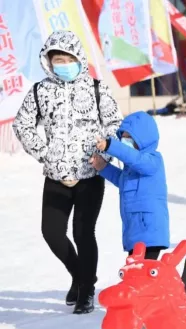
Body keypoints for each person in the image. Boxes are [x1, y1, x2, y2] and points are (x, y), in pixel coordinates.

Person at [12, 30, 122, 314]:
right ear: (48, 62)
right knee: (52, 232)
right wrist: (46, 155)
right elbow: (22, 126)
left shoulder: (97, 88)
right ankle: (80, 275)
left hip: (90, 175)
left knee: (84, 232)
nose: (62, 64)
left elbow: (114, 126)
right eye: (56, 59)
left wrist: (104, 155)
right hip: (56, 176)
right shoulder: (40, 91)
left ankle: (86, 290)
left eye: (66, 58)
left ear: (78, 58)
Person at [89, 111, 169, 260]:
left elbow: (135, 159)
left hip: (149, 230)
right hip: (134, 230)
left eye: (129, 138)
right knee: (135, 274)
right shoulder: (131, 166)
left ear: (144, 139)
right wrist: (103, 167)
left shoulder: (152, 160)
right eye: (123, 138)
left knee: (144, 275)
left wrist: (112, 146)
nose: (125, 142)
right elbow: (122, 180)